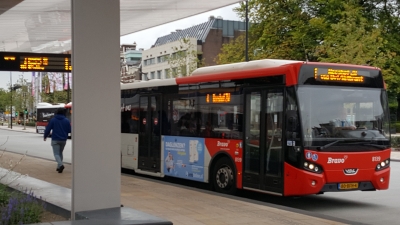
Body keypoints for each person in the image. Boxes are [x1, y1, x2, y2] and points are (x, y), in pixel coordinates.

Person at [44, 108, 71, 173]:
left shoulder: (53, 120)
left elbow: (48, 129)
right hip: (63, 139)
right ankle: (59, 167)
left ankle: (61, 165)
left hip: (55, 139)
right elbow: (69, 130)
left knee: (56, 153)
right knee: (60, 153)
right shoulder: (66, 120)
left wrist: (45, 136)